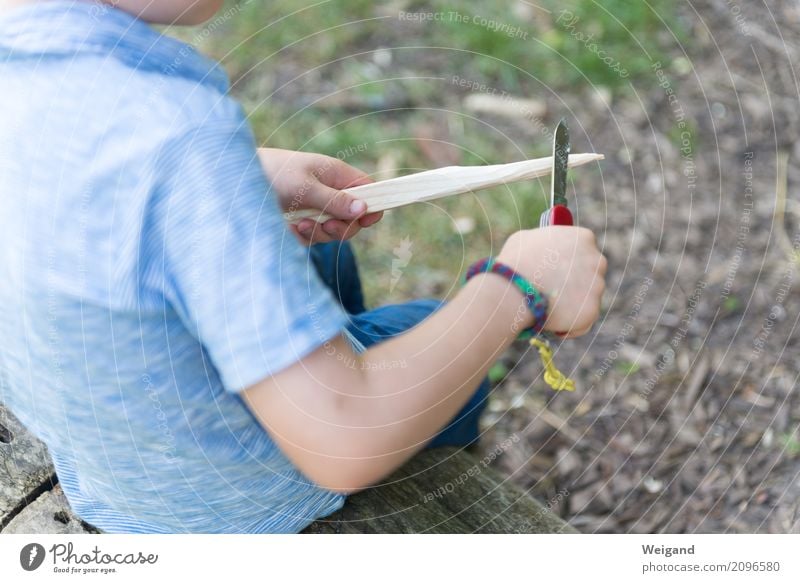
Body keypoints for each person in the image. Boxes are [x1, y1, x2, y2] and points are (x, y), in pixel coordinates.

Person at [0, 0, 606, 533]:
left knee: (328, 251)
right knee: (452, 362)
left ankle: (333, 357)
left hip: (96, 428)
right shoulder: (173, 139)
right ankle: (409, 415)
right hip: (208, 501)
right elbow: (340, 437)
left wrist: (243, 174)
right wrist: (517, 289)